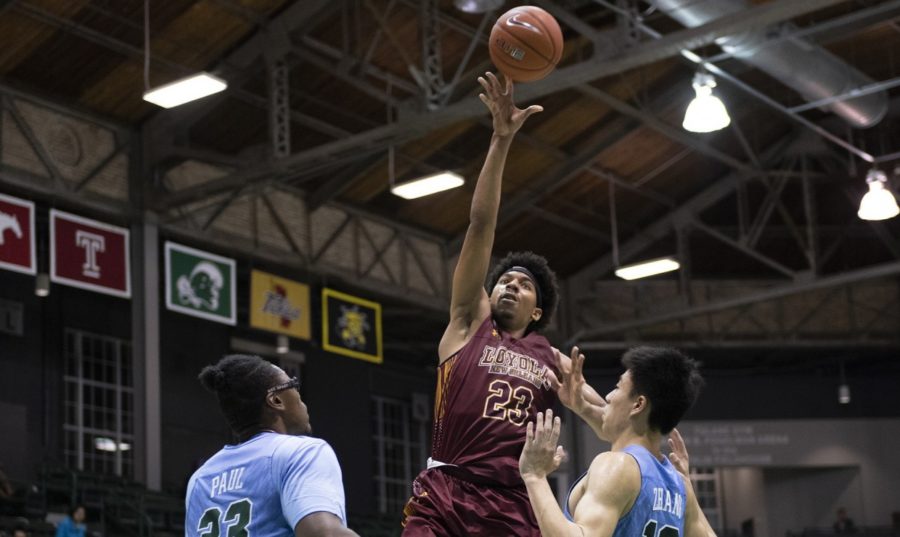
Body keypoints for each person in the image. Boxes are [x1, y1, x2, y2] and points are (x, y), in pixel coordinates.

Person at [400, 71, 561, 536]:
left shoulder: (550, 358)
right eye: (504, 280)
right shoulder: (468, 324)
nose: (510, 285)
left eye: (523, 285)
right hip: (445, 491)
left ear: (536, 311)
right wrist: (501, 139)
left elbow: (599, 409)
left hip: (513, 504)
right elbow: (481, 225)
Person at [519, 346, 718, 537]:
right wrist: (583, 407)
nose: (608, 396)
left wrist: (534, 476)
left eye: (617, 387)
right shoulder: (679, 486)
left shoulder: (617, 466)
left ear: (638, 404)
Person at [185, 354, 358, 537]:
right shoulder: (301, 452)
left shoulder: (199, 479)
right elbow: (324, 534)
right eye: (294, 386)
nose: (300, 396)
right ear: (276, 400)